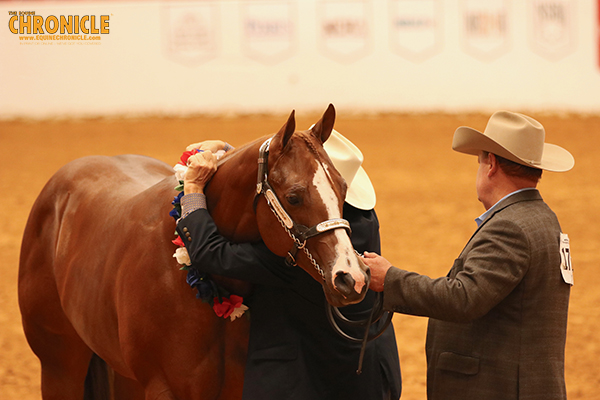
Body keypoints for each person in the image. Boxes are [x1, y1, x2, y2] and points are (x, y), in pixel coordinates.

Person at [363, 111, 575, 400]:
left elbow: (463, 298)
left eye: (480, 160)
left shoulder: (510, 226)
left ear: (492, 164)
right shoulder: (542, 218)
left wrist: (390, 280)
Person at [177, 130, 402, 400]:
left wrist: (192, 190)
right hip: (374, 372)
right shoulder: (362, 219)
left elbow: (212, 253)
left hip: (312, 380)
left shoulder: (304, 246)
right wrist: (227, 148)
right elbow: (286, 189)